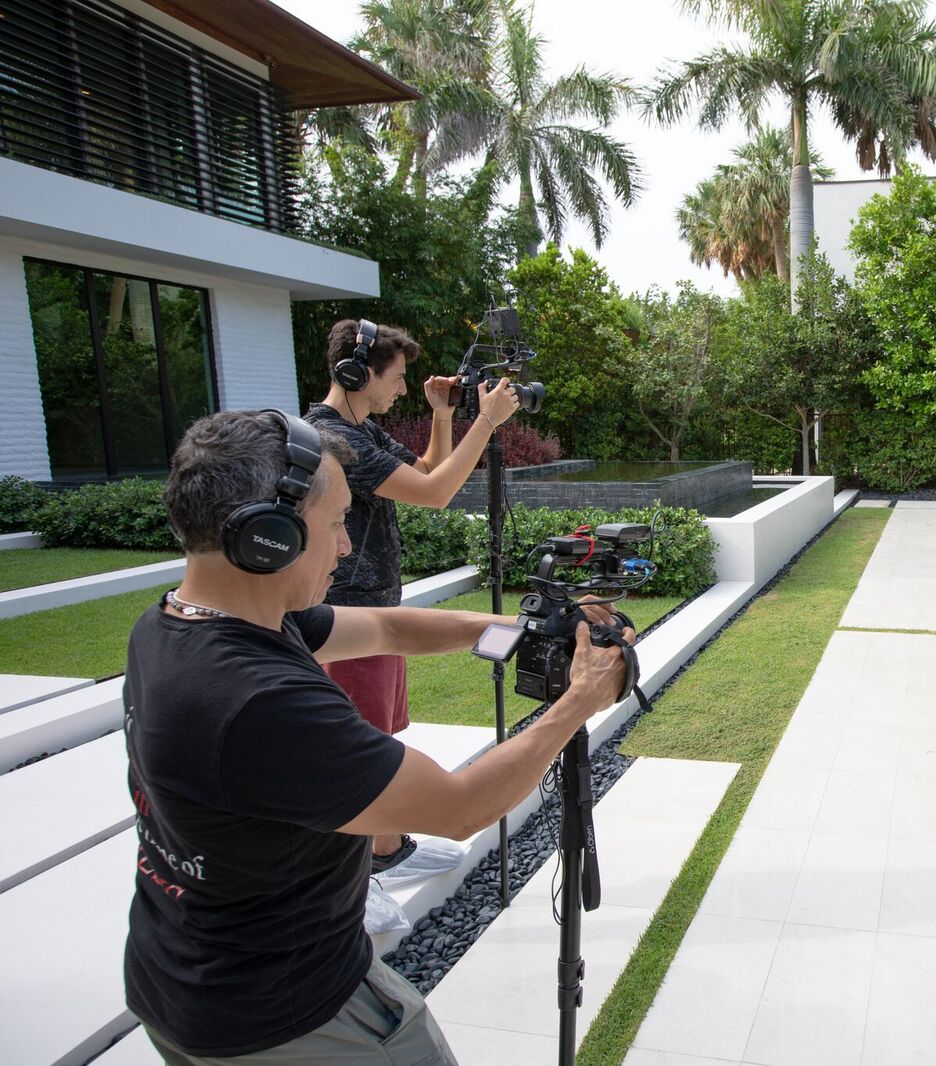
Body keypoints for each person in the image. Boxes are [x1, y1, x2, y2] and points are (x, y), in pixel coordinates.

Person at [125, 409, 630, 1065]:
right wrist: (581, 700)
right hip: (289, 1014)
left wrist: (526, 631)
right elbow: (459, 808)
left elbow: (389, 629)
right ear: (269, 536)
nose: (345, 546)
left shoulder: (181, 623)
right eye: (337, 522)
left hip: (179, 980)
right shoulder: (259, 702)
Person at [304, 318, 519, 871]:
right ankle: (364, 869)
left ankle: (386, 848)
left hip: (376, 605)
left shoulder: (360, 428)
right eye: (397, 377)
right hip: (351, 613)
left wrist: (442, 416)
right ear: (357, 373)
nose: (403, 388)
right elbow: (435, 492)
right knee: (361, 744)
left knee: (379, 732)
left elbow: (424, 469)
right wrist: (487, 422)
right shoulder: (335, 439)